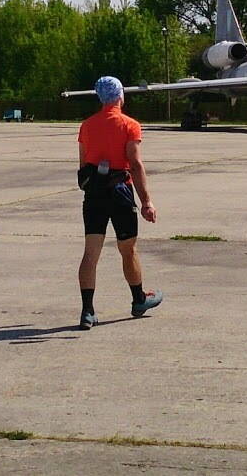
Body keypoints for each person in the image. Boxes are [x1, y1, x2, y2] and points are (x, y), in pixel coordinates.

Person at [75, 76, 162, 330]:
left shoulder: (87, 126)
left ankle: (87, 311)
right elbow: (135, 164)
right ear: (120, 96)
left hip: (94, 194)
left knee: (91, 252)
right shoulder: (129, 125)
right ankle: (138, 299)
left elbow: (83, 165)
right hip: (120, 192)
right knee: (128, 248)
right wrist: (146, 201)